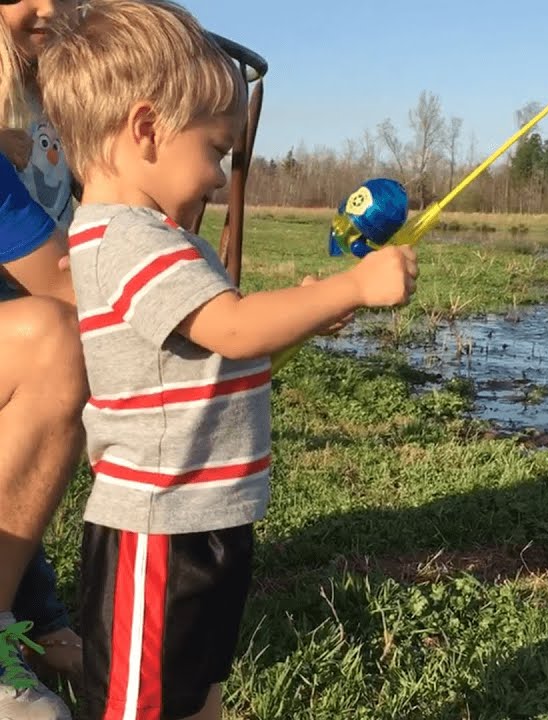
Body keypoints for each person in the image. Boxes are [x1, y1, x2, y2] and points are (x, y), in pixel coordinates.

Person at [38, 1, 419, 718]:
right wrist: (354, 284)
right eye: (215, 149)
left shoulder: (159, 237)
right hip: (156, 530)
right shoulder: (124, 240)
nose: (219, 175)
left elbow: (222, 350)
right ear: (147, 129)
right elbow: (236, 328)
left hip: (207, 520)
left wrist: (309, 313)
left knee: (196, 690)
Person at [0, 0, 85, 699]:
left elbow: (66, 262)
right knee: (57, 341)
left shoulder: (56, 105)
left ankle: (28, 613)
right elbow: (62, 289)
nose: (49, 6)